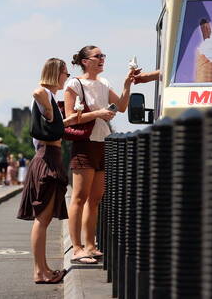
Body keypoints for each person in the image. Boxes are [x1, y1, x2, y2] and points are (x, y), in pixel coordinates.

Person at [64, 46, 134, 264]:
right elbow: (69, 118)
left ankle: (91, 245)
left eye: (103, 56)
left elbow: (121, 107)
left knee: (95, 199)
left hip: (103, 142)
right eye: (98, 56)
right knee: (79, 197)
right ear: (85, 61)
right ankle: (76, 248)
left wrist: (127, 84)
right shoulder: (74, 84)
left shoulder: (104, 83)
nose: (102, 59)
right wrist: (98, 113)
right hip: (84, 144)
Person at [18, 58, 78, 284]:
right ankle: (39, 272)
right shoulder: (45, 93)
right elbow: (37, 92)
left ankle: (43, 269)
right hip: (46, 159)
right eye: (65, 73)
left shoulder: (51, 97)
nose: (67, 77)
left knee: (43, 220)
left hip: (48, 157)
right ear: (55, 74)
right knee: (41, 220)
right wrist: (52, 113)